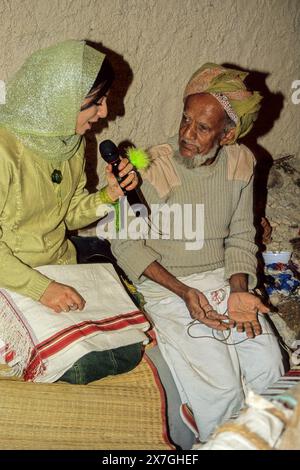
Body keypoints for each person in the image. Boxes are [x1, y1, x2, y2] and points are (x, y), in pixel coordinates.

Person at [110, 63, 285, 442]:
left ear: (227, 134)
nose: (186, 135)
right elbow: (123, 244)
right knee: (221, 389)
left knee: (271, 368)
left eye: (202, 128)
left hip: (220, 278)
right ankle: (211, 430)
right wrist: (185, 293)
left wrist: (240, 289)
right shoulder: (148, 168)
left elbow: (241, 235)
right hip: (168, 286)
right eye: (185, 120)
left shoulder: (241, 162)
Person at [0, 40, 142, 384]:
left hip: (61, 266)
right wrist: (42, 289)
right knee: (79, 364)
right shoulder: (5, 153)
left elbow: (68, 215)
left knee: (127, 347)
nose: (105, 112)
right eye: (95, 103)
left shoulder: (72, 141)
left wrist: (109, 195)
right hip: (12, 277)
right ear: (55, 98)